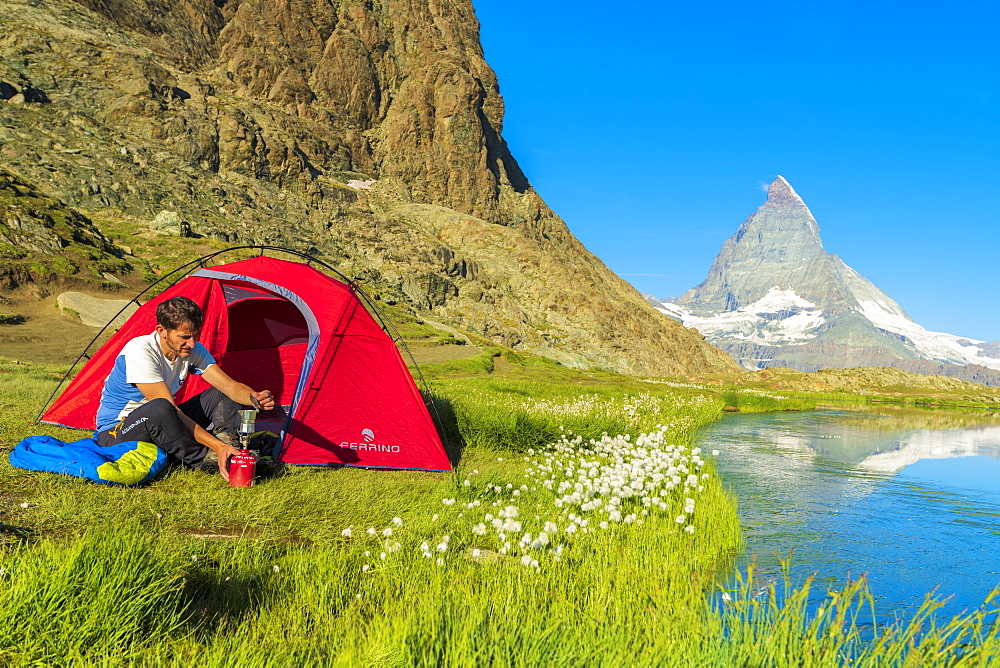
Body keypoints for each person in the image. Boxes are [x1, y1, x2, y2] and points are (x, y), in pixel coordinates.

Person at [95, 296, 276, 481]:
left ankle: (230, 448)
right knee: (161, 409)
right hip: (115, 432)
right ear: (162, 331)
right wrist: (215, 446)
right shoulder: (140, 351)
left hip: (163, 419)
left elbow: (229, 386)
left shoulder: (191, 349)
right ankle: (204, 458)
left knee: (221, 394)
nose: (191, 343)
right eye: (184, 337)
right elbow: (169, 410)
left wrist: (254, 397)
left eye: (195, 335)